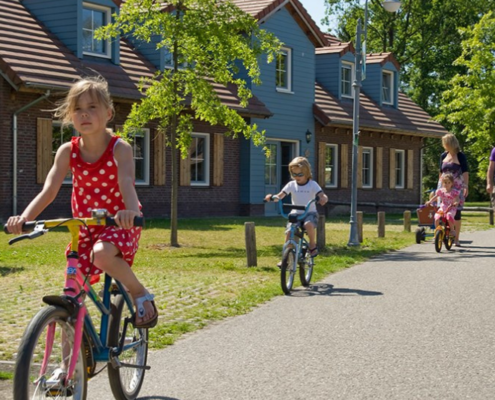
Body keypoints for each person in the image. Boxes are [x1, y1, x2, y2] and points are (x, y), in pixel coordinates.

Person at [5, 76, 158, 328]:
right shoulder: (68, 151)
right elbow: (49, 189)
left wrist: (130, 212)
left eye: (92, 107)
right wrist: (25, 217)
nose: (84, 114)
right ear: (69, 115)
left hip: (119, 223)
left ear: (108, 113)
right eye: (77, 109)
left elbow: (127, 183)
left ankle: (139, 291)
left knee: (101, 254)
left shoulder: (120, 148)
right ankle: (70, 364)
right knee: (72, 293)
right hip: (85, 226)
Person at [264, 156, 328, 257]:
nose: (297, 177)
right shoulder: (291, 185)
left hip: (309, 213)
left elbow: (321, 195)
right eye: (294, 174)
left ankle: (312, 245)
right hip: (295, 213)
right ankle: (286, 257)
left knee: (308, 225)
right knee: (289, 231)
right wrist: (272, 197)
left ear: (307, 173)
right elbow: (280, 196)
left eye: (300, 174)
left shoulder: (312, 184)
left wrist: (323, 198)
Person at [438, 133, 469, 246]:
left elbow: (465, 172)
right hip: (444, 186)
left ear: (450, 143)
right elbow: (440, 172)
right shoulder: (443, 155)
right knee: (443, 210)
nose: (444, 145)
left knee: (456, 212)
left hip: (457, 187)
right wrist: (440, 186)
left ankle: (456, 238)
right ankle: (441, 234)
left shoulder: (460, 156)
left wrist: (466, 186)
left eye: (445, 143)